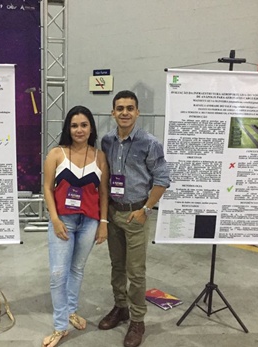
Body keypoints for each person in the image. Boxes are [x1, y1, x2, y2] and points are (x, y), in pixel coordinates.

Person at [99, 90, 170, 347]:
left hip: (136, 214)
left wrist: (146, 210)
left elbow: (163, 180)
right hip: (113, 211)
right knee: (116, 266)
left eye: (130, 108)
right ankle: (121, 308)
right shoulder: (106, 141)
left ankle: (138, 320)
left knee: (136, 272)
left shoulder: (149, 143)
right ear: (113, 112)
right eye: (120, 108)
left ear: (137, 112)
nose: (125, 112)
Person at [42, 105, 109, 347]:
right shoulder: (56, 154)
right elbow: (47, 189)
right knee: (58, 274)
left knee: (77, 269)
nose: (79, 130)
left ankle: (71, 310)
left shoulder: (99, 156)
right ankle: (61, 326)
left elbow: (103, 193)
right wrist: (55, 219)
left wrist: (103, 223)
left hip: (90, 222)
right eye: (74, 125)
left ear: (91, 128)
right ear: (67, 129)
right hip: (64, 221)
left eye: (83, 125)